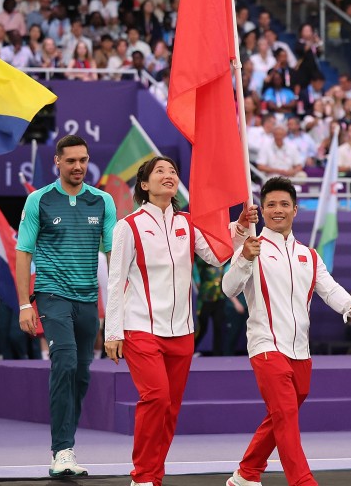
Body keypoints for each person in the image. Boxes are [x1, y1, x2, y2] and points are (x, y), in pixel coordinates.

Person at [104, 156, 255, 486]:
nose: (168, 175)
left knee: (170, 409)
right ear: (144, 185)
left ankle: (153, 477)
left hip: (182, 331)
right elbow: (115, 281)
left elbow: (216, 255)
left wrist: (240, 226)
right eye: (160, 171)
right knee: (155, 398)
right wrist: (112, 332)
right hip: (140, 327)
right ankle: (142, 476)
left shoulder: (186, 223)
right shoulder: (127, 226)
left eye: (172, 171)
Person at [222, 177, 351, 486]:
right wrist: (245, 258)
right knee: (286, 416)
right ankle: (302, 481)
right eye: (271, 205)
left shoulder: (309, 255)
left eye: (284, 204)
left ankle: (247, 473)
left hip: (300, 351)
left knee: (282, 413)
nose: (278, 210)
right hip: (266, 346)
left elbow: (330, 290)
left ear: (295, 210)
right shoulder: (252, 247)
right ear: (260, 210)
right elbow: (228, 288)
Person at [15, 135, 116, 478]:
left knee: (82, 373)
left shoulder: (103, 201)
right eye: (71, 160)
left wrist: (116, 308)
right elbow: (23, 253)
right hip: (51, 293)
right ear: (57, 161)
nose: (78, 167)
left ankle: (66, 446)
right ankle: (62, 450)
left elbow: (114, 256)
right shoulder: (38, 200)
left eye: (83, 160)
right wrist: (22, 304)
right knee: (66, 362)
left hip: (88, 299)